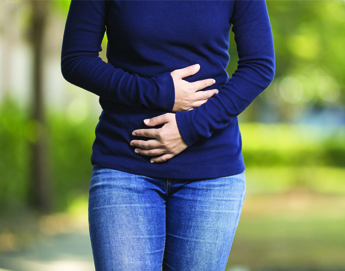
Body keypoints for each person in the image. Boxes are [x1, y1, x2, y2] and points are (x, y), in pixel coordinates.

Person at [61, 0, 275, 270]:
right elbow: (76, 59)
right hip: (125, 163)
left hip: (211, 172)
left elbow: (259, 66)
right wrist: (158, 92)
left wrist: (190, 128)